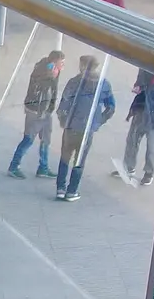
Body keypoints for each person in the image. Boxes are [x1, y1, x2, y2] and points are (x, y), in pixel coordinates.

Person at [54, 54, 117, 201]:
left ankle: (60, 188)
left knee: (65, 158)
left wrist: (64, 121)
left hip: (71, 127)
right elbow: (111, 108)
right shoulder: (103, 84)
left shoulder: (74, 82)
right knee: (79, 160)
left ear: (83, 66)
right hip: (87, 129)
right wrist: (97, 122)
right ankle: (72, 191)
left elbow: (63, 105)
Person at [6, 50, 64, 180]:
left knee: (45, 140)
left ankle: (43, 167)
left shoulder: (52, 71)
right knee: (28, 139)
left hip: (46, 112)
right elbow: (40, 88)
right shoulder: (44, 73)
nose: (63, 66)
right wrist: (51, 77)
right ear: (54, 62)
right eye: (61, 63)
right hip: (36, 112)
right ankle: (14, 166)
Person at [112, 71, 154, 186]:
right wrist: (139, 85)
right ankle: (128, 167)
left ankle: (149, 173)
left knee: (152, 145)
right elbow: (142, 74)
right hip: (143, 108)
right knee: (132, 139)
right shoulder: (150, 63)